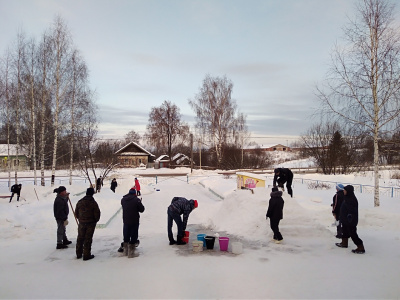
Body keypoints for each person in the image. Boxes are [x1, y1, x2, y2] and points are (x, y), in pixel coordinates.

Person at [335, 185, 366, 254]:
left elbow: (352, 211)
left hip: (350, 221)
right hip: (345, 220)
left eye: (345, 190)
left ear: (348, 191)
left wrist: (350, 217)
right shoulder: (347, 197)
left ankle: (360, 247)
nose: (343, 191)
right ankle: (344, 243)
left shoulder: (351, 199)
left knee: (353, 234)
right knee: (345, 231)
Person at [75, 187, 101, 261]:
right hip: (90, 223)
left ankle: (78, 253)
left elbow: (76, 213)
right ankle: (86, 255)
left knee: (80, 238)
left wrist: (80, 219)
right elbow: (97, 214)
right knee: (88, 239)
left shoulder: (80, 202)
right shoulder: (93, 203)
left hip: (82, 223)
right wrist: (95, 220)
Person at [121, 188, 145, 257]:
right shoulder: (136, 200)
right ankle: (131, 250)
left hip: (126, 220)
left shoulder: (123, 199)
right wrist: (139, 202)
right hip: (134, 220)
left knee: (126, 233)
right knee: (134, 234)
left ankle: (125, 249)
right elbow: (142, 209)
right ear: (135, 193)